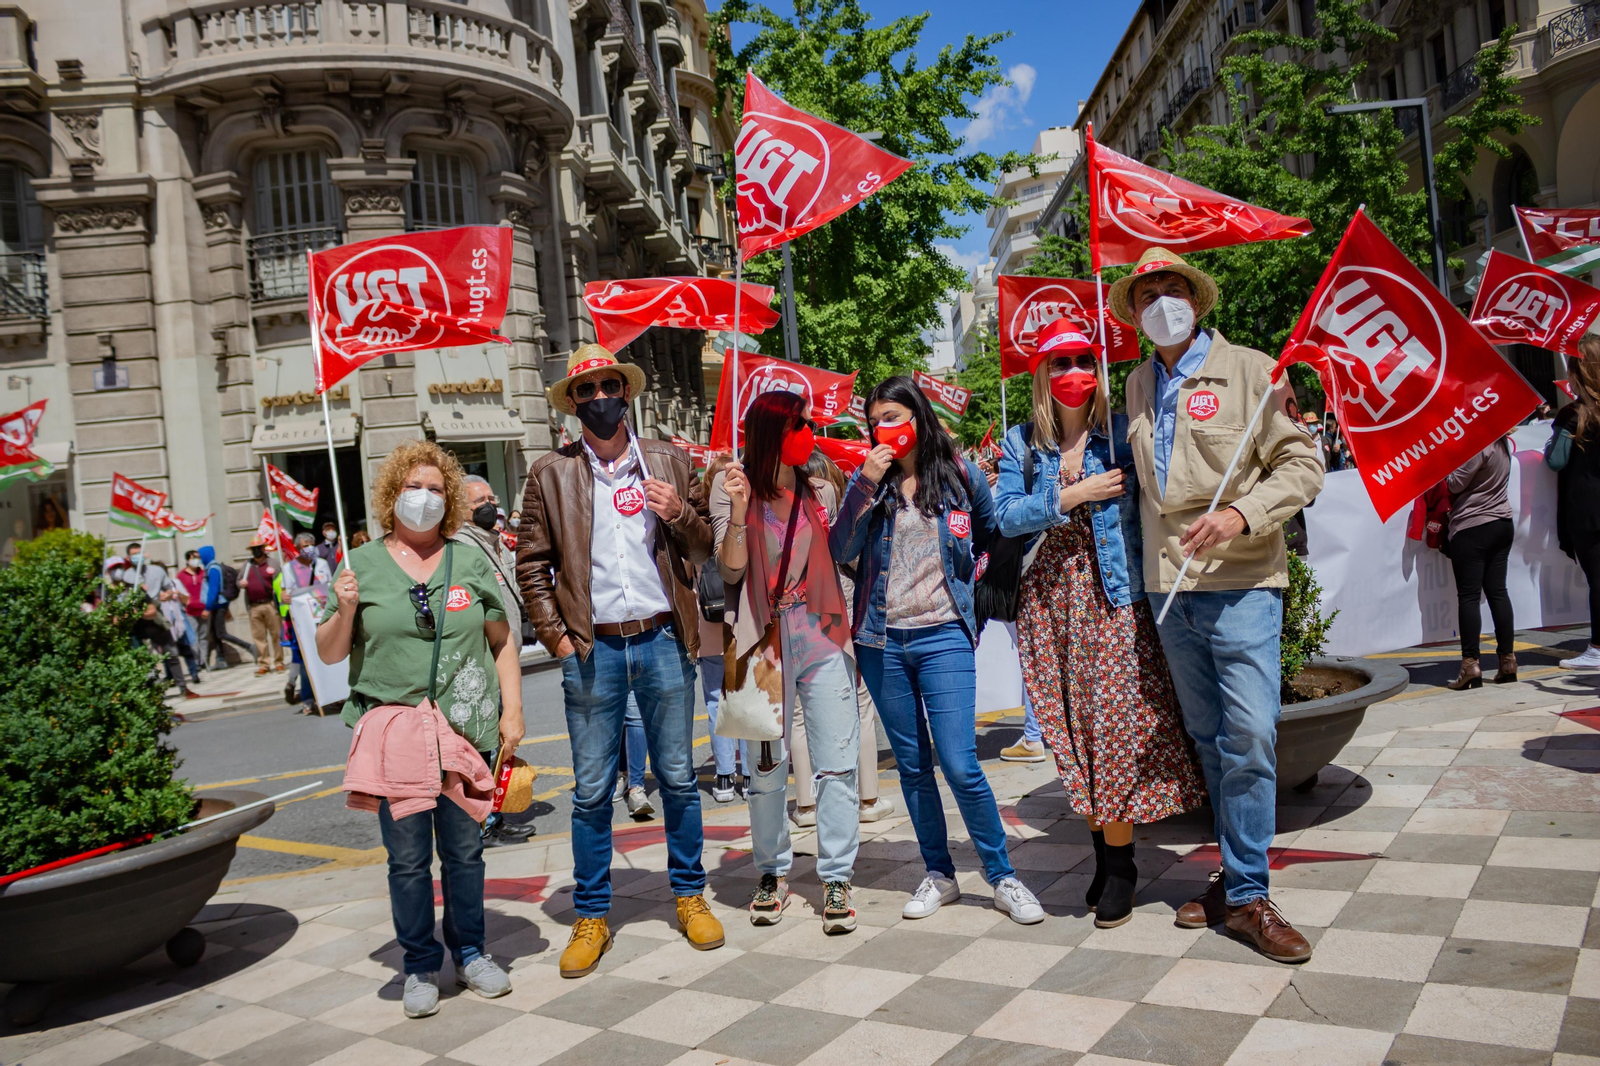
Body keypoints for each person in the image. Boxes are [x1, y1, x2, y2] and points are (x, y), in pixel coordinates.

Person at [1114, 248, 1323, 963]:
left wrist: (1240, 514)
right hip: (1169, 589)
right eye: (1147, 294)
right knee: (1208, 740)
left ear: (1197, 301)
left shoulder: (1255, 371)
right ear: (1135, 314)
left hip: (1242, 585)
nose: (1161, 302)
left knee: (1251, 737)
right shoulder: (1137, 383)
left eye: (1172, 288)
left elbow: (1304, 465)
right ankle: (1234, 882)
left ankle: (1250, 895)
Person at [517, 344, 721, 978]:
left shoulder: (667, 460)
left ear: (625, 392)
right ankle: (592, 914)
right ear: (573, 402)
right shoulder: (549, 473)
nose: (600, 397)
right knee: (590, 793)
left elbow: (705, 548)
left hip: (662, 638)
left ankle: (689, 895)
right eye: (586, 390)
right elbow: (532, 564)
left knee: (678, 780)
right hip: (591, 648)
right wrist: (555, 637)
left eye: (609, 385)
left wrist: (679, 512)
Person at [995, 322, 1204, 928]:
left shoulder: (1121, 434)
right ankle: (1104, 857)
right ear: (1042, 373)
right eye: (1060, 362)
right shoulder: (1020, 443)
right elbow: (1005, 517)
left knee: (1112, 733)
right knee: (1072, 737)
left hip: (1111, 601)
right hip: (1046, 608)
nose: (1074, 372)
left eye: (1084, 360)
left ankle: (1121, 867)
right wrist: (1072, 494)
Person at [316, 439, 522, 1019]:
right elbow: (329, 653)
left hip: (464, 732)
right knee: (407, 860)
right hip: (396, 735)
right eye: (414, 487)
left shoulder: (469, 559)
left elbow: (501, 640)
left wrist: (512, 711)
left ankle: (472, 951)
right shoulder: (361, 564)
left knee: (465, 853)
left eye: (435, 489)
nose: (424, 498)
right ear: (393, 495)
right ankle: (419, 964)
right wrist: (345, 608)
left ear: (449, 499)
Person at [831, 376, 1044, 925]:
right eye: (876, 421)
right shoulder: (869, 482)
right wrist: (864, 481)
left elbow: (994, 533)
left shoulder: (959, 474)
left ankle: (1002, 875)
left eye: (894, 416)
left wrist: (973, 586)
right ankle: (939, 873)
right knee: (913, 767)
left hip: (944, 635)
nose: (885, 428)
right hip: (881, 641)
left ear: (917, 416)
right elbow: (840, 546)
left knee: (960, 763)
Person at [710, 390, 861, 933]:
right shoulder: (731, 487)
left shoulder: (820, 490)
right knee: (766, 770)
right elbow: (730, 570)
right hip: (761, 642)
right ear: (773, 431)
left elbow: (843, 551)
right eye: (800, 425)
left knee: (837, 760)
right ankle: (772, 872)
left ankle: (836, 875)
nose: (809, 434)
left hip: (822, 633)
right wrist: (736, 511)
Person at [792, 449, 893, 826]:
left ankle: (806, 805)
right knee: (860, 703)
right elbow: (849, 557)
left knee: (799, 714)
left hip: (795, 610)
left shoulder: (785, 502)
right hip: (838, 605)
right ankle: (868, 798)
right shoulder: (830, 499)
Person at [1443, 436, 1517, 688]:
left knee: (1469, 597)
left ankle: (1470, 665)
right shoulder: (1502, 442)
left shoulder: (1479, 444)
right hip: (1502, 522)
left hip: (1472, 525)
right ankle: (1507, 661)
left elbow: (1455, 484)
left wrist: (1446, 464)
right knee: (1498, 592)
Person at [697, 454, 747, 804]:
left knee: (717, 701)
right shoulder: (743, 516)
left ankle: (725, 776)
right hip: (740, 618)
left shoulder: (701, 524)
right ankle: (748, 773)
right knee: (743, 697)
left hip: (709, 623)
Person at [1549, 337, 1600, 671]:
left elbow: (1555, 461)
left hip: (1588, 508)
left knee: (1598, 579)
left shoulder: (1573, 415)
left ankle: (1597, 648)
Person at [199, 544, 253, 669]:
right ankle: (220, 659)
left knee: (221, 633)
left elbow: (213, 590)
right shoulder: (209, 568)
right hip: (216, 605)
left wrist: (207, 608)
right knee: (214, 633)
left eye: (200, 556)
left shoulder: (213, 569)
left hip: (218, 605)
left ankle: (249, 647)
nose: (199, 559)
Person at [241, 540, 283, 674]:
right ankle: (264, 664)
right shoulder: (247, 565)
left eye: (258, 548)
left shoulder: (273, 563)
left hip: (270, 604)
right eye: (254, 549)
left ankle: (279, 662)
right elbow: (239, 580)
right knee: (259, 636)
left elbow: (281, 581)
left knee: (276, 634)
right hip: (254, 606)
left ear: (264, 549)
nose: (256, 551)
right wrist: (241, 583)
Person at [176, 549, 209, 668]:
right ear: (187, 560)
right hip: (189, 611)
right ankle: (195, 661)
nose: (196, 560)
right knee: (193, 636)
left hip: (204, 609)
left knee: (204, 636)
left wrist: (208, 607)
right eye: (193, 558)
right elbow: (178, 592)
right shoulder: (181, 575)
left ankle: (204, 660)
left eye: (198, 558)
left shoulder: (203, 573)